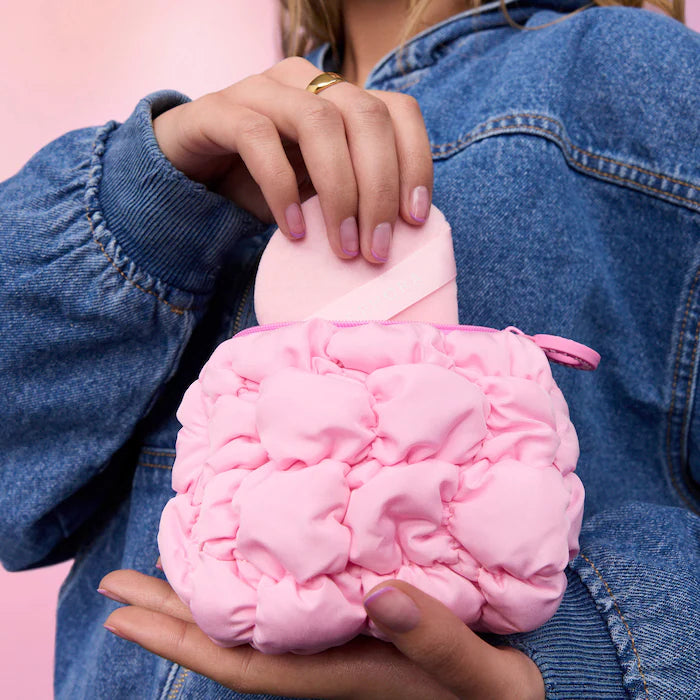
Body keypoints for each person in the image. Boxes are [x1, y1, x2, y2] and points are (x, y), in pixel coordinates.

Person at [1, 0, 698, 697]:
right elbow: (17, 504)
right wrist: (145, 198)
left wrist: (594, 654)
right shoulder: (218, 132)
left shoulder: (637, 77)